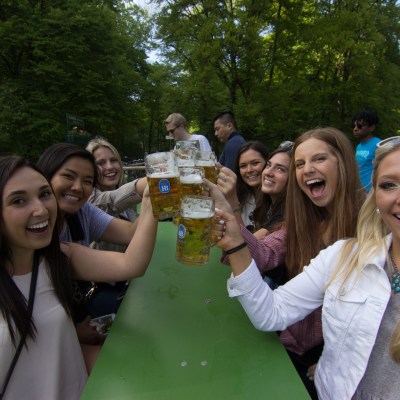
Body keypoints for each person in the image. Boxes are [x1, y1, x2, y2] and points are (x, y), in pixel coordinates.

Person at [212, 136, 400, 399]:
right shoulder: (325, 238)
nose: (307, 168)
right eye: (299, 164)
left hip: (315, 350)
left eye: (319, 158)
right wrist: (232, 231)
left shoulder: (374, 229)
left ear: (344, 164)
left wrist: (325, 358)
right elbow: (264, 258)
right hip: (302, 349)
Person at [0, 156, 157, 399]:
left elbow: (131, 264)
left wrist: (151, 200)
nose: (41, 210)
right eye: (18, 201)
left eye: (44, 194)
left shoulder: (59, 256)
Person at [217, 141, 269, 231]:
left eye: (255, 163)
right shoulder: (242, 197)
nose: (249, 170)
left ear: (268, 163)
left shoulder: (276, 199)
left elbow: (249, 243)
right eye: (243, 166)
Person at [252, 140, 293, 238]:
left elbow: (246, 246)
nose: (268, 172)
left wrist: (232, 200)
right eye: (269, 165)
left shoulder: (288, 214)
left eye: (280, 169)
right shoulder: (267, 205)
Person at [352, 109, 381, 192]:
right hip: (359, 191)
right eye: (354, 126)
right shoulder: (359, 147)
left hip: (372, 192)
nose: (355, 129)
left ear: (372, 127)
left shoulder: (378, 145)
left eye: (360, 126)